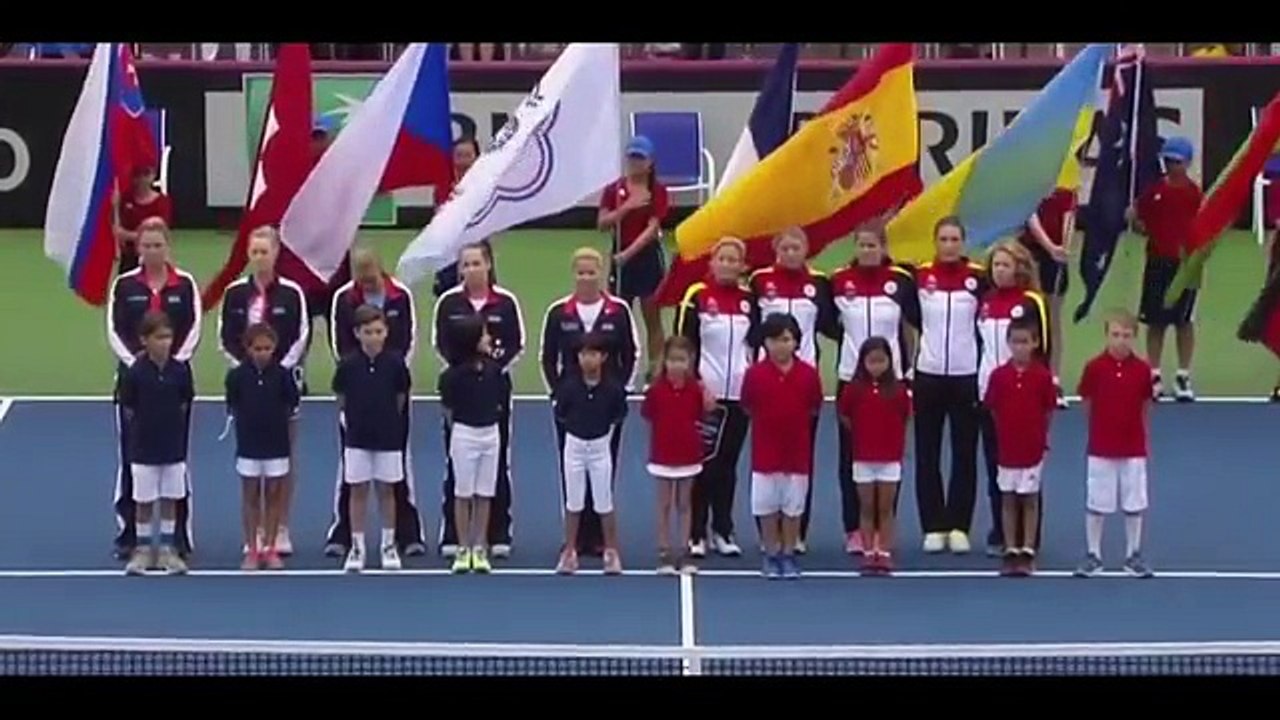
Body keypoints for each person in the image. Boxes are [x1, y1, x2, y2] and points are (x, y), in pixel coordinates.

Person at [107, 217, 201, 560]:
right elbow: (115, 330)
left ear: (167, 246)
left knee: (177, 458)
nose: (151, 251)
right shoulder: (124, 286)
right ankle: (130, 533)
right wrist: (141, 366)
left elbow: (193, 328)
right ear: (138, 249)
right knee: (132, 457)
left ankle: (179, 536)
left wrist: (171, 364)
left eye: (157, 245)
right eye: (145, 245)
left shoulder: (185, 284)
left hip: (174, 384)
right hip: (135, 383)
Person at [324, 247, 426, 558]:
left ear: (380, 270)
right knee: (351, 471)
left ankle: (407, 534)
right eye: (360, 278)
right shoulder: (344, 298)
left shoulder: (400, 296)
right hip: (358, 394)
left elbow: (409, 340)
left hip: (392, 390)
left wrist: (388, 374)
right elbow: (339, 344)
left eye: (370, 278)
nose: (365, 284)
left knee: (397, 469)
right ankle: (343, 534)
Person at [540, 248, 640, 557]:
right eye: (581, 272)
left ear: (601, 274)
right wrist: (557, 394)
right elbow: (547, 357)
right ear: (574, 275)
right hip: (571, 406)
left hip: (606, 406)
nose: (586, 278)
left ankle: (600, 537)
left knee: (603, 467)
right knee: (570, 468)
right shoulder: (559, 312)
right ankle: (575, 538)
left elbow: (632, 354)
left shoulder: (619, 311)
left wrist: (619, 392)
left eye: (591, 272)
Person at [218, 226, 310, 556]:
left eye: (265, 251)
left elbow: (301, 335)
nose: (259, 258)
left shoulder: (292, 293)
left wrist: (275, 370)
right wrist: (247, 370)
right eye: (254, 252)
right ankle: (254, 531)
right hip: (248, 389)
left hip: (283, 385)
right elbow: (225, 337)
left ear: (275, 254)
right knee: (251, 458)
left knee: (284, 458)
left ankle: (280, 526)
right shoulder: (234, 294)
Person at [829, 225, 918, 555]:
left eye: (872, 245)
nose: (867, 251)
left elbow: (912, 325)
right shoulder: (839, 282)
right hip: (851, 381)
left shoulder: (901, 282)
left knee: (890, 453)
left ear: (883, 248)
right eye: (861, 245)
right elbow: (828, 322)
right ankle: (854, 528)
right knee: (850, 456)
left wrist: (906, 372)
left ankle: (885, 528)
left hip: (891, 380)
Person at [748, 227, 837, 553]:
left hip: (803, 382)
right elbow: (751, 330)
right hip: (767, 382)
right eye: (784, 247)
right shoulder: (759, 282)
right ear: (776, 251)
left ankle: (796, 532)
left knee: (801, 459)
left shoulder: (819, 284)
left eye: (796, 247)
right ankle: (767, 533)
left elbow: (831, 325)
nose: (790, 253)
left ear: (806, 250)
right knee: (766, 459)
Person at [434, 242, 524, 559]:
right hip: (461, 394)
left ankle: (496, 532)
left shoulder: (506, 302)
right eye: (466, 264)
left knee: (497, 463)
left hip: (494, 391)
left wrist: (491, 369)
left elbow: (517, 345)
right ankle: (454, 535)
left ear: (488, 265)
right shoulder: (448, 303)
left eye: (476, 263)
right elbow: (441, 344)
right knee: (455, 466)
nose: (471, 269)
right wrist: (465, 367)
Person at [674, 237, 760, 559]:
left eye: (733, 259)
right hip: (705, 397)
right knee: (702, 465)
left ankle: (723, 530)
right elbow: (683, 346)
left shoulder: (750, 301)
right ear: (712, 263)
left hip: (738, 397)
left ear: (742, 266)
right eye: (721, 258)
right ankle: (696, 531)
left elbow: (755, 347)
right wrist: (697, 387)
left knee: (728, 465)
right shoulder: (697, 296)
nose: (726, 264)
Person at [908, 216, 988, 555]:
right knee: (926, 453)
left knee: (964, 453)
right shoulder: (920, 277)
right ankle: (933, 525)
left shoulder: (978, 278)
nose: (950, 245)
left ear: (964, 242)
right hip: (928, 374)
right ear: (935, 242)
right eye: (944, 239)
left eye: (956, 239)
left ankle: (958, 524)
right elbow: (912, 318)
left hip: (966, 375)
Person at [976, 241, 1051, 557]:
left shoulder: (1032, 302)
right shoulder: (985, 302)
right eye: (995, 265)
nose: (999, 271)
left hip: (1023, 395)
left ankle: (1029, 535)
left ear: (1019, 268)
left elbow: (1043, 348)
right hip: (990, 392)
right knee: (996, 463)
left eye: (1006, 265)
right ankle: (1001, 530)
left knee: (1028, 465)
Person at [740, 314, 824, 580]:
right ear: (765, 343)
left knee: (792, 508)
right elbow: (748, 404)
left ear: (796, 342)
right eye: (775, 340)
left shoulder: (808, 375)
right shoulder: (755, 375)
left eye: (786, 339)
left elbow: (814, 406)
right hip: (765, 453)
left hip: (797, 453)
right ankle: (771, 552)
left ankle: (788, 552)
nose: (780, 345)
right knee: (766, 507)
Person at [1074, 310, 1155, 579]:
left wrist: (1140, 434)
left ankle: (1133, 554)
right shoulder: (1094, 368)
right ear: (1107, 336)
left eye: (1126, 336)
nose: (1121, 341)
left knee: (1134, 502)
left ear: (1135, 338)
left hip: (1133, 448)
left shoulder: (1143, 370)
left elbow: (1146, 404)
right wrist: (1098, 430)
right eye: (1116, 335)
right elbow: (1086, 401)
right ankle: (1093, 554)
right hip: (1101, 447)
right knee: (1097, 501)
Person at [332, 305, 412, 572]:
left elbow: (401, 397)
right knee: (358, 491)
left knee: (387, 490)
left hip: (388, 437)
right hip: (356, 438)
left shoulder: (395, 364)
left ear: (386, 332)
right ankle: (357, 546)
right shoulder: (348, 366)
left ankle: (388, 544)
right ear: (357, 333)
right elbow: (341, 398)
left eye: (378, 331)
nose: (374, 336)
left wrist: (389, 421)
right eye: (368, 332)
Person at [117, 311, 195, 576]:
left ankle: (167, 551)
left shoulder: (180, 370)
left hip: (172, 447)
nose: (165, 342)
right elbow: (128, 406)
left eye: (168, 336)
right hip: (143, 449)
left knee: (171, 497)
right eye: (159, 337)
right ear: (144, 340)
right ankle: (142, 551)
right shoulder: (135, 373)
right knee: (144, 500)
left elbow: (185, 401)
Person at [983, 318, 1057, 577]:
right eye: (1015, 342)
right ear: (1008, 344)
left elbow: (1048, 410)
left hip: (1032, 448)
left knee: (1029, 499)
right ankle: (1011, 548)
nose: (1020, 347)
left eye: (1025, 342)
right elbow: (992, 408)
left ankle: (1027, 548)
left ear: (1035, 343)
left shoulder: (1042, 376)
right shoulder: (999, 376)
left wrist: (1039, 436)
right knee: (1008, 499)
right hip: (1007, 449)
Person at [225, 323, 300, 571]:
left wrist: (288, 443)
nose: (263, 353)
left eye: (267, 348)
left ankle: (269, 547)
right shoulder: (236, 377)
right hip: (249, 445)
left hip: (276, 445)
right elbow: (234, 406)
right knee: (251, 495)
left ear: (274, 348)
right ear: (248, 349)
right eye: (258, 348)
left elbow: (291, 410)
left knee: (274, 495)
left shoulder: (283, 376)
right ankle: (252, 548)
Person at [553, 333, 629, 575]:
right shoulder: (569, 387)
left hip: (600, 448)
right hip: (574, 447)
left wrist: (602, 436)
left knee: (603, 501)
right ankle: (569, 552)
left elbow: (618, 415)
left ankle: (611, 552)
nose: (588, 359)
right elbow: (561, 414)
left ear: (603, 357)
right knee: (573, 502)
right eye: (584, 354)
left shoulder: (613, 389)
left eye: (594, 354)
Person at [1134, 136, 1202, 402]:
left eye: (1176, 161)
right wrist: (1133, 218)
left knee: (1184, 322)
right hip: (1157, 263)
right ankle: (1154, 374)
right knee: (1156, 322)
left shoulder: (1194, 193)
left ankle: (1183, 375)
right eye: (1168, 160)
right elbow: (1142, 222)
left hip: (1186, 266)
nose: (1172, 165)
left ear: (1187, 162)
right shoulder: (1153, 191)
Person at [836, 337, 912, 576]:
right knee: (867, 508)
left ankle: (885, 552)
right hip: (863, 458)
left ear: (890, 361)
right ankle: (869, 552)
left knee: (886, 508)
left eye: (881, 361)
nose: (876, 366)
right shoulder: (853, 389)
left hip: (889, 459)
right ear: (863, 362)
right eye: (871, 361)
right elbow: (845, 415)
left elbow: (905, 416)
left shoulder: (899, 391)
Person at [438, 314, 507, 575]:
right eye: (484, 334)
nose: (489, 338)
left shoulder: (494, 370)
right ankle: (463, 547)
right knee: (463, 493)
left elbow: (500, 400)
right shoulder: (452, 375)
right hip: (464, 434)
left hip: (490, 433)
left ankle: (480, 546)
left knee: (484, 493)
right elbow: (448, 408)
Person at [642, 336, 716, 575]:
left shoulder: (696, 390)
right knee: (664, 504)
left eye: (681, 360)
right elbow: (649, 416)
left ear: (690, 361)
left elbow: (702, 414)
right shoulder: (656, 390)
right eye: (672, 360)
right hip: (662, 455)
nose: (676, 365)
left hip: (688, 455)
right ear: (665, 361)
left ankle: (683, 551)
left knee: (684, 504)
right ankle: (664, 551)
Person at [600, 135, 669, 382]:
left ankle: (656, 368)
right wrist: (627, 206)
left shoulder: (658, 191)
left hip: (646, 260)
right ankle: (619, 364)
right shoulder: (614, 190)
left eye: (640, 158)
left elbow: (652, 230)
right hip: (620, 260)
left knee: (652, 316)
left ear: (650, 162)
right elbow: (602, 223)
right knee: (618, 315)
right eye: (632, 157)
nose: (635, 163)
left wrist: (627, 255)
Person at [1019, 188, 1075, 408]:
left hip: (1056, 256)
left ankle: (1053, 379)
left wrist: (1063, 248)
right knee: (1028, 316)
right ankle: (1027, 374)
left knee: (1053, 318)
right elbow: (1029, 216)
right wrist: (1050, 247)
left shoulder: (1067, 190)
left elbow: (1069, 218)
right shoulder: (1031, 186)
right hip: (1031, 251)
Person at [432, 138, 498, 298]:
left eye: (468, 155)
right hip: (449, 249)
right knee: (446, 294)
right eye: (459, 155)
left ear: (476, 157)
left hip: (477, 246)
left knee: (484, 292)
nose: (463, 161)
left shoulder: (486, 184)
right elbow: (439, 218)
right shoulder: (444, 185)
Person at [114, 166, 172, 276]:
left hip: (153, 255)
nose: (141, 179)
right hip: (128, 257)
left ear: (153, 175)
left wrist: (129, 235)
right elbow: (116, 227)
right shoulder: (125, 199)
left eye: (146, 174)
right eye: (137, 175)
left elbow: (160, 232)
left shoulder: (162, 202)